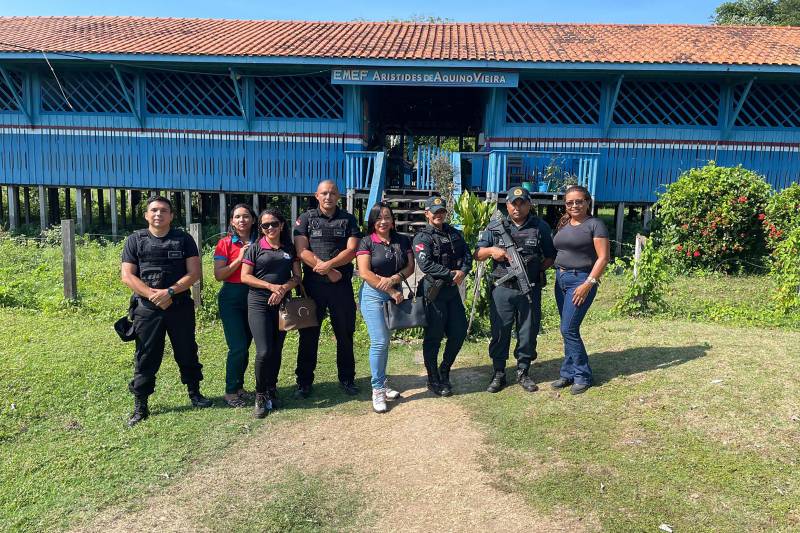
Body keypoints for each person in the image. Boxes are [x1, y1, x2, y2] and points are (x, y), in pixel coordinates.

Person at [120, 195, 212, 427]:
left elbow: (194, 273)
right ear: (146, 215)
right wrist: (154, 296)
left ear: (171, 215)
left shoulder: (183, 239)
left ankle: (195, 394)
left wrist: (169, 292)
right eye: (154, 210)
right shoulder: (135, 240)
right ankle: (141, 406)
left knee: (187, 351)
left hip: (179, 306)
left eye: (163, 210)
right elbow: (127, 276)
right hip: (147, 309)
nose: (158, 214)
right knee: (146, 356)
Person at [475, 187, 556, 393]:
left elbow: (550, 256)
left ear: (529, 205)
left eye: (522, 203)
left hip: (529, 289)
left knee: (528, 332)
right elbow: (477, 253)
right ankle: (499, 372)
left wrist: (533, 271)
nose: (517, 208)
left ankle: (523, 371)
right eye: (513, 203)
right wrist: (492, 250)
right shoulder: (495, 227)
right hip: (502, 289)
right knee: (500, 331)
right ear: (507, 205)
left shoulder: (540, 227)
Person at [293, 180, 363, 398]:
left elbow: (352, 250)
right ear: (317, 195)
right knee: (308, 335)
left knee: (345, 334)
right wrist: (328, 270)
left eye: (332, 193)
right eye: (324, 193)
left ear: (338, 196)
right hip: (312, 288)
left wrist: (329, 266)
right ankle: (304, 382)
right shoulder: (306, 219)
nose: (328, 197)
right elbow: (301, 251)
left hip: (341, 287)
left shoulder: (348, 219)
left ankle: (347, 379)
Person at [240, 208, 302, 418]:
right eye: (265, 225)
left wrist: (282, 289)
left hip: (282, 304)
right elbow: (245, 277)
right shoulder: (255, 248)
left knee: (276, 349)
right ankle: (260, 394)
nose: (270, 228)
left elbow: (297, 276)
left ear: (282, 225)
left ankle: (272, 388)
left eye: (274, 223)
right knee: (264, 351)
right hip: (259, 303)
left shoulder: (289, 248)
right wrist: (270, 286)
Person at [356, 202, 415, 413]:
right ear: (373, 221)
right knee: (379, 341)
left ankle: (382, 382)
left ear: (392, 220)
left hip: (394, 293)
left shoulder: (402, 240)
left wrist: (395, 279)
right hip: (373, 295)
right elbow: (364, 272)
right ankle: (377, 389)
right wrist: (390, 290)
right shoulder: (366, 241)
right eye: (379, 217)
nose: (383, 221)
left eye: (387, 217)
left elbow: (410, 266)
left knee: (385, 341)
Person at [552, 185, 610, 395]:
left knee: (569, 329)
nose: (574, 205)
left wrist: (588, 283)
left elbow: (604, 258)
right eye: (570, 202)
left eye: (579, 201)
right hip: (560, 280)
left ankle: (583, 375)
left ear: (587, 202)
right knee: (566, 327)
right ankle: (567, 373)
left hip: (580, 280)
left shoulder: (595, 225)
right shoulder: (564, 223)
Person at [412, 196, 472, 396]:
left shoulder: (455, 233)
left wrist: (463, 271)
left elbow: (467, 255)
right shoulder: (422, 238)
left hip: (452, 292)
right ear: (427, 213)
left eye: (442, 211)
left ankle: (444, 369)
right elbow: (425, 264)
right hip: (434, 292)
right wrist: (450, 274)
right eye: (435, 211)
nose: (439, 215)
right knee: (433, 337)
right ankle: (433, 378)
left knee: (459, 332)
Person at [213, 203, 258, 408]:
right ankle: (230, 391)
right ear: (232, 221)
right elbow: (219, 275)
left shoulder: (261, 241)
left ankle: (239, 387)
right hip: (232, 297)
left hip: (255, 296)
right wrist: (240, 258)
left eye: (246, 216)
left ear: (253, 220)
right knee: (237, 346)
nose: (242, 220)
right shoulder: (224, 243)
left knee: (246, 346)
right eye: (237, 217)